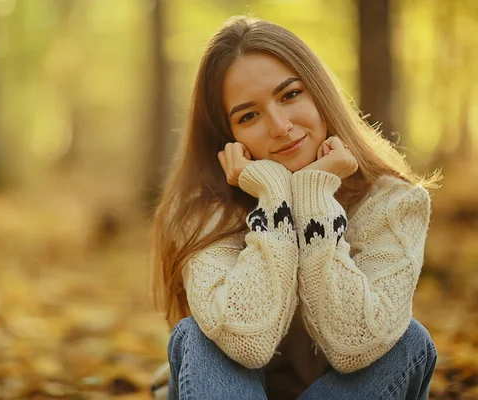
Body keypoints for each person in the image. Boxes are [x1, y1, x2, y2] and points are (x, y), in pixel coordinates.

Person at [150, 16, 440, 400]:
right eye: (248, 115)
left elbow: (358, 344)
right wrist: (274, 199)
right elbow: (244, 341)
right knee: (201, 338)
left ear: (319, 92)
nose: (281, 126)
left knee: (407, 342)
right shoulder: (202, 213)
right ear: (228, 137)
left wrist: (312, 196)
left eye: (290, 95)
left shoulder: (393, 202)